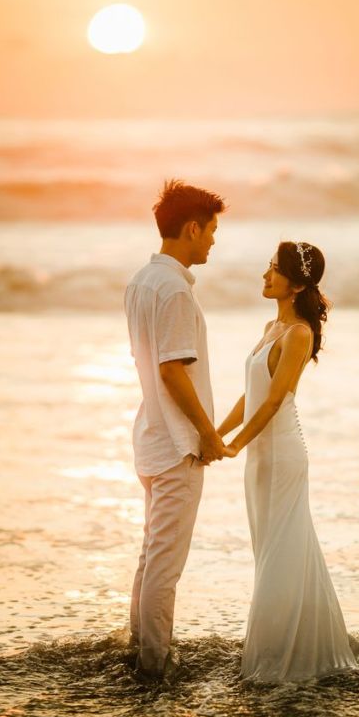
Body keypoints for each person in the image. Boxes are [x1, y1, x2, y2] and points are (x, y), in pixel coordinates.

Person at [218, 241, 359, 682]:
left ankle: (280, 661)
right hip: (261, 454)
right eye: (267, 267)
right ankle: (288, 645)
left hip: (281, 452)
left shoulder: (298, 333)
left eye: (274, 270)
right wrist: (214, 432)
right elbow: (252, 393)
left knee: (281, 551)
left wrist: (235, 444)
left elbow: (277, 400)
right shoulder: (270, 326)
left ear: (297, 283)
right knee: (269, 548)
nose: (265, 276)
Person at [124, 179, 226, 680]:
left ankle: (139, 648)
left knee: (151, 556)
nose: (212, 241)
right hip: (177, 444)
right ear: (191, 228)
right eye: (210, 231)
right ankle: (154, 668)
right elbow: (171, 370)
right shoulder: (175, 291)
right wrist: (207, 434)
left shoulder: (141, 281)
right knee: (165, 565)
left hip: (151, 436)